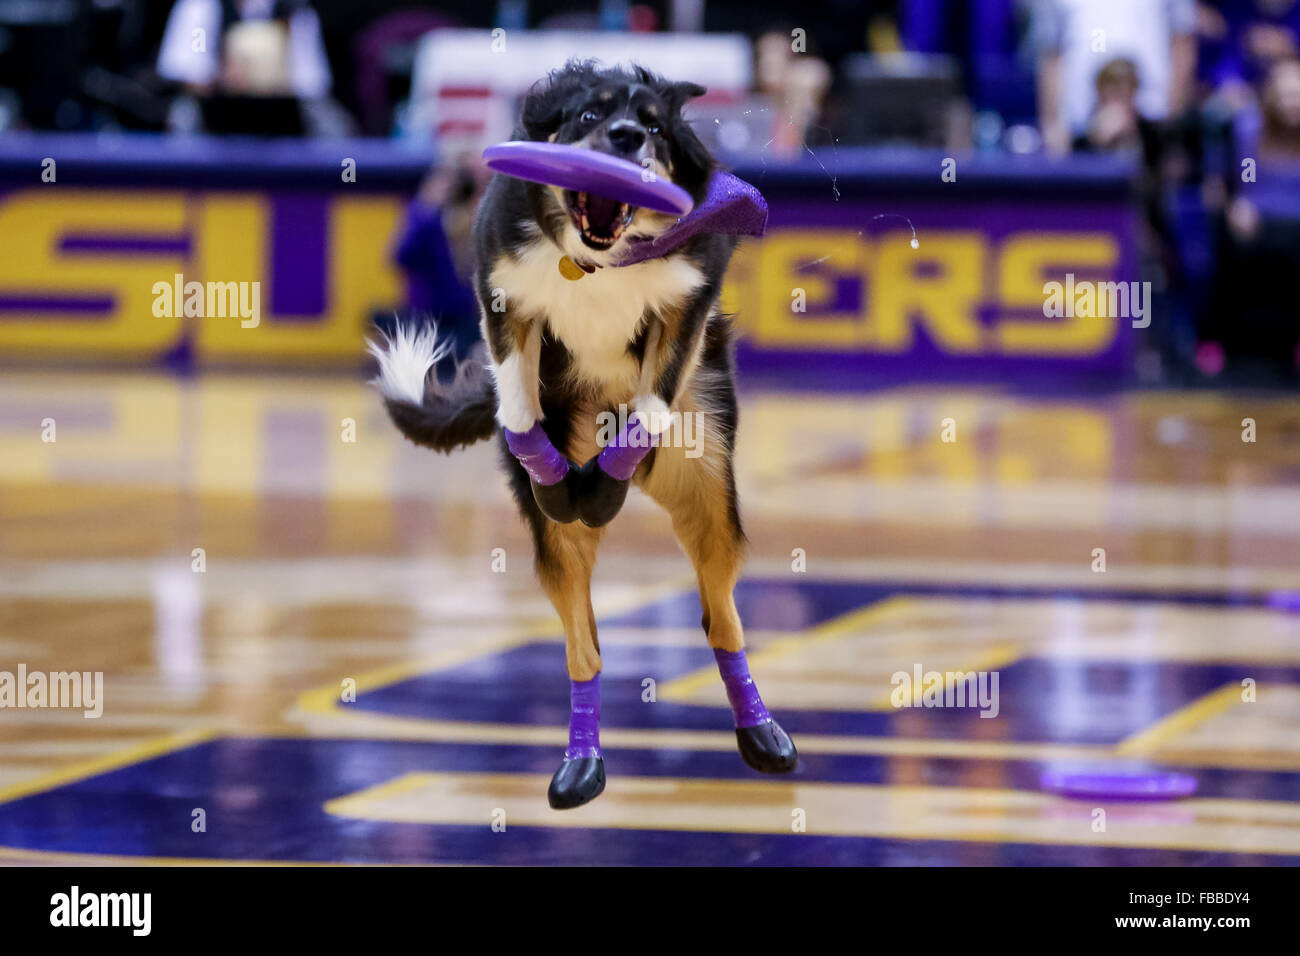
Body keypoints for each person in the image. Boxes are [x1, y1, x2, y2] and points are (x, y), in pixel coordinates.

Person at [1033, 0, 1198, 154]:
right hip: (1080, 128)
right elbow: (1051, 54)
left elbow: (1182, 39)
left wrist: (1173, 127)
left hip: (1153, 123)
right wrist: (1052, 128)